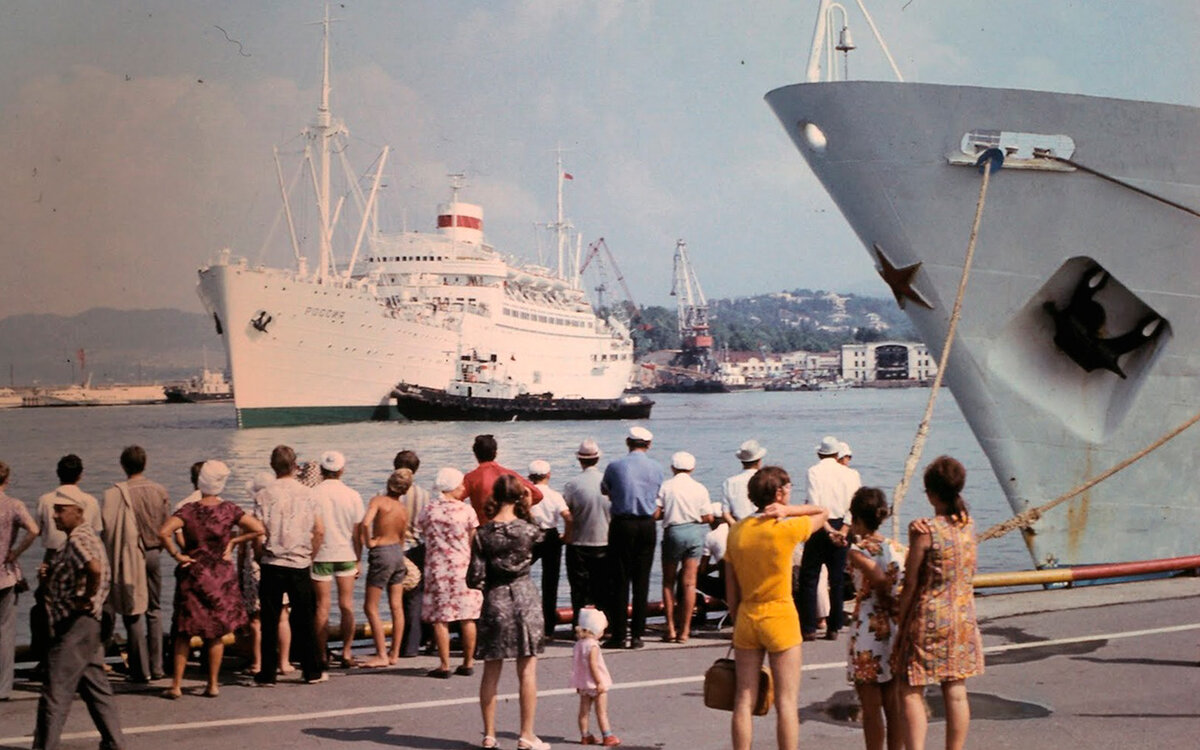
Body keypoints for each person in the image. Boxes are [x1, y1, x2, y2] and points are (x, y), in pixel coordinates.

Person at [724, 466, 827, 750]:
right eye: (788, 488)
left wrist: (736, 619)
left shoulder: (736, 531)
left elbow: (731, 589)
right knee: (786, 702)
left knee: (743, 699)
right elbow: (822, 512)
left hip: (747, 614)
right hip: (780, 614)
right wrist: (789, 510)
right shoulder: (785, 528)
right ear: (779, 493)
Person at [892, 456, 984, 750]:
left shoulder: (926, 532)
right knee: (956, 689)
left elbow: (911, 582)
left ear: (931, 493)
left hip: (928, 616)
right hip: (962, 617)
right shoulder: (968, 526)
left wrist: (900, 620)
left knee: (910, 687)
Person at [158, 460, 265, 699]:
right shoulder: (229, 509)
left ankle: (176, 685)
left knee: (184, 631)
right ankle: (212, 684)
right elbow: (258, 529)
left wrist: (177, 555)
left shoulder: (189, 510)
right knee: (215, 633)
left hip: (194, 572)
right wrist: (234, 542)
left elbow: (163, 532)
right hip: (220, 576)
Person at [32, 490, 126, 750]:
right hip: (90, 626)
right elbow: (86, 569)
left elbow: (93, 568)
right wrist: (50, 576)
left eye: (61, 510)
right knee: (96, 689)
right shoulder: (87, 538)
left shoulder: (76, 540)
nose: (55, 515)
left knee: (55, 692)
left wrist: (86, 596)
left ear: (78, 512)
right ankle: (114, 742)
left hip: (74, 625)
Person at [468, 475, 548, 750]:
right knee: (527, 670)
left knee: (491, 671)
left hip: (496, 599)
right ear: (518, 497)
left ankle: (489, 735)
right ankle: (527, 734)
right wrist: (529, 508)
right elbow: (544, 537)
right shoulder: (528, 531)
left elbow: (474, 578)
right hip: (525, 598)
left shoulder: (482, 534)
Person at [253, 444, 326, 686]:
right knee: (304, 618)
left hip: (272, 561)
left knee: (270, 619)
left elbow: (258, 532)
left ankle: (267, 672)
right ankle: (312, 669)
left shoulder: (263, 494)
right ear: (295, 465)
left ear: (272, 466)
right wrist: (311, 555)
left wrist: (258, 554)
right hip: (299, 561)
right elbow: (318, 530)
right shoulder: (308, 493)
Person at [100, 445, 170, 683]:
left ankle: (140, 670)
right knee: (155, 609)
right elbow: (166, 525)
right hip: (154, 553)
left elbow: (107, 529)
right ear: (145, 463)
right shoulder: (159, 490)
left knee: (133, 611)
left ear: (123, 465)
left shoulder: (116, 493)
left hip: (131, 555)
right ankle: (158, 666)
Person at [845, 487, 906, 750]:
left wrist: (883, 597)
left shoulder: (857, 552)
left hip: (868, 628)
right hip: (893, 626)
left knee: (871, 709)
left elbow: (875, 579)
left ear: (857, 519)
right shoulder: (895, 547)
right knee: (893, 705)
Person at [32, 455, 102, 676]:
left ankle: (48, 659)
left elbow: (40, 531)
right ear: (81, 475)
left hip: (53, 556)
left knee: (47, 610)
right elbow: (97, 533)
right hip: (82, 559)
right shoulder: (89, 501)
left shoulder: (45, 500)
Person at [600, 426, 663, 649]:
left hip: (622, 524)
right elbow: (657, 494)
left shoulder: (615, 466)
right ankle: (637, 634)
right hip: (647, 524)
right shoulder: (657, 468)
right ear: (649, 444)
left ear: (628, 442)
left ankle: (619, 634)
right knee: (642, 579)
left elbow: (605, 490)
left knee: (619, 580)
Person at [417, 467, 481, 678]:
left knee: (441, 618)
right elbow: (473, 539)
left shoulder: (428, 510)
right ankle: (468, 662)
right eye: (460, 484)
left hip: (438, 567)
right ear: (451, 487)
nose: (463, 488)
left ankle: (444, 665)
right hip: (463, 566)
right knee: (468, 617)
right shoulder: (467, 511)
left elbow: (422, 531)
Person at [798, 435, 861, 640]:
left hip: (819, 525)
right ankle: (834, 626)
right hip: (842, 523)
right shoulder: (851, 474)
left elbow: (814, 503)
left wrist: (827, 529)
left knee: (809, 577)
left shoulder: (813, 471)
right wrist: (842, 530)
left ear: (819, 453)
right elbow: (854, 504)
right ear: (838, 454)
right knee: (837, 578)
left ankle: (808, 627)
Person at [310, 450, 364, 668]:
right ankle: (347, 652)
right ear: (342, 470)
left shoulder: (312, 494)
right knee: (347, 605)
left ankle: (322, 654)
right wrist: (359, 558)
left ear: (322, 471)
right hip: (346, 554)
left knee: (322, 606)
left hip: (321, 554)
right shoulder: (352, 495)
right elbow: (357, 532)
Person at [238, 471, 294, 678]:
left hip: (253, 569)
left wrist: (239, 576)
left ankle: (258, 662)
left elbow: (243, 550)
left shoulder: (248, 517)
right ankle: (284, 662)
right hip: (280, 564)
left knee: (256, 619)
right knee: (282, 616)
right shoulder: (281, 513)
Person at [654, 451, 712, 644]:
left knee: (668, 582)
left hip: (673, 532)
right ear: (692, 468)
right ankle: (685, 631)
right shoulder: (700, 488)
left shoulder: (666, 487)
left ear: (672, 468)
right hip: (694, 532)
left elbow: (656, 513)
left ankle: (670, 628)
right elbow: (708, 517)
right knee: (689, 584)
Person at [360, 468, 413, 667]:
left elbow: (365, 523)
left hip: (382, 551)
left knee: (370, 606)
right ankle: (394, 653)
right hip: (397, 553)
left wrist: (369, 542)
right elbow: (402, 536)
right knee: (397, 606)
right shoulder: (402, 509)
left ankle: (381, 653)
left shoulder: (378, 501)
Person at [1, 460, 39, 701]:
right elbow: (34, 529)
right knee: (5, 632)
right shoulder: (13, 505)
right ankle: (3, 687)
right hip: (4, 573)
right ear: (6, 480)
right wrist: (16, 552)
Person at [562, 439, 609, 630]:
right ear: (597, 458)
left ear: (580, 460)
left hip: (579, 543)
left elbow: (568, 513)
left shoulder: (572, 485)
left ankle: (578, 626)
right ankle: (604, 626)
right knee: (604, 587)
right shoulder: (609, 482)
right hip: (605, 541)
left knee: (579, 589)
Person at [528, 459, 572, 639]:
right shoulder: (555, 495)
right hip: (552, 536)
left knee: (522, 576)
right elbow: (568, 518)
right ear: (549, 475)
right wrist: (566, 537)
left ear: (530, 477)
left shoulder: (527, 495)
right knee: (550, 582)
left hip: (532, 534)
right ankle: (548, 628)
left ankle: (527, 621)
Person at [394, 449, 432, 658]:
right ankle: (414, 643)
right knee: (416, 597)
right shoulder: (424, 495)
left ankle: (398, 644)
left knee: (396, 598)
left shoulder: (385, 494)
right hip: (417, 547)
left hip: (394, 548)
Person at [463, 434, 542, 523]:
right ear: (496, 453)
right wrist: (519, 509)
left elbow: (455, 498)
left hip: (483, 526)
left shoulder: (470, 478)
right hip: (509, 524)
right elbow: (537, 495)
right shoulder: (510, 474)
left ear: (475, 454)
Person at [570, 606, 620, 747]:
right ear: (595, 630)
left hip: (583, 683)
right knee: (601, 711)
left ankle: (585, 735)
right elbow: (593, 665)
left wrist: (578, 683)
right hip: (595, 683)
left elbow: (577, 664)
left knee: (584, 711)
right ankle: (607, 735)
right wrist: (599, 682)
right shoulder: (593, 646)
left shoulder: (578, 645)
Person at [721, 439, 766, 525]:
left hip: (740, 524)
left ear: (742, 461)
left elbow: (726, 513)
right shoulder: (765, 479)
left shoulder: (729, 482)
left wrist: (736, 527)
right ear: (759, 460)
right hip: (763, 524)